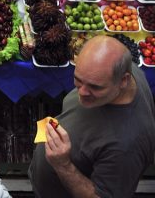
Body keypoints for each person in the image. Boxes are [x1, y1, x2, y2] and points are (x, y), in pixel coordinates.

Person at [29, 34, 155, 198]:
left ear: (123, 80)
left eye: (95, 87)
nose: (81, 93)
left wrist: (63, 165)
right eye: (78, 80)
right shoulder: (124, 71)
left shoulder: (127, 147)